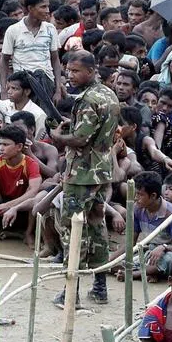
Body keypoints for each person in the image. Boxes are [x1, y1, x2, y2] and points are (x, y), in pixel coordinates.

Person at [47, 51, 120, 306]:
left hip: (81, 172)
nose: (70, 75)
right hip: (101, 169)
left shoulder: (88, 99)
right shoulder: (107, 94)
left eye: (76, 71)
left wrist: (57, 138)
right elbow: (94, 129)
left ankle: (71, 291)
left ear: (91, 70)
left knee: (72, 228)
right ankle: (100, 287)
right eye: (68, 70)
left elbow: (80, 139)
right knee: (97, 225)